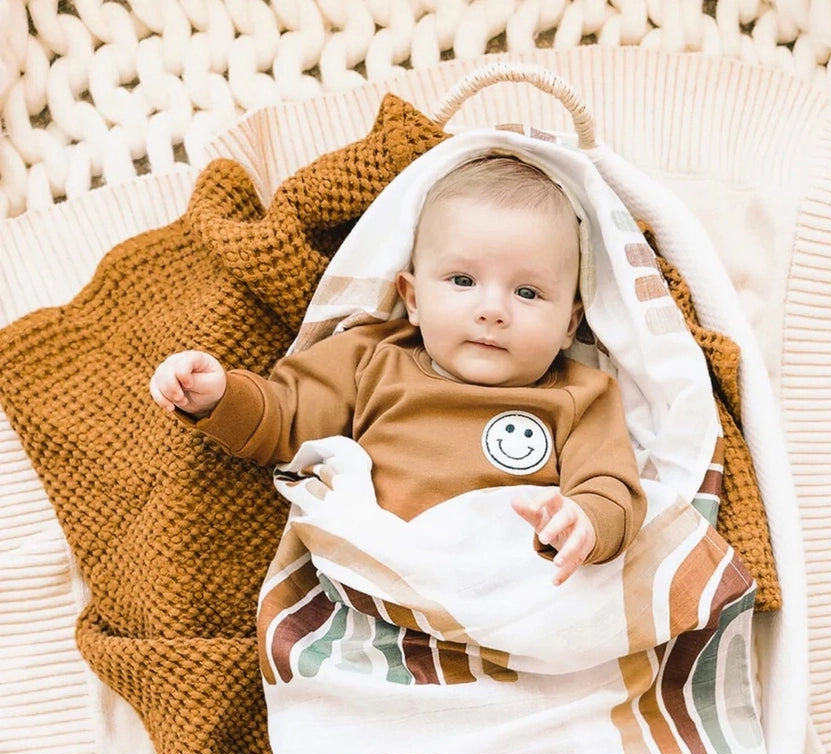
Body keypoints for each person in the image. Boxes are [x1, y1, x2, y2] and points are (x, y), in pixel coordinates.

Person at [149, 155, 646, 584]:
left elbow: (612, 486)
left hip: (520, 589)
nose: (493, 310)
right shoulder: (372, 359)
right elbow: (286, 415)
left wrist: (586, 521)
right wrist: (219, 397)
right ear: (412, 297)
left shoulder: (582, 395)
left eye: (528, 292)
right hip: (389, 584)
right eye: (463, 280)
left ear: (570, 324)